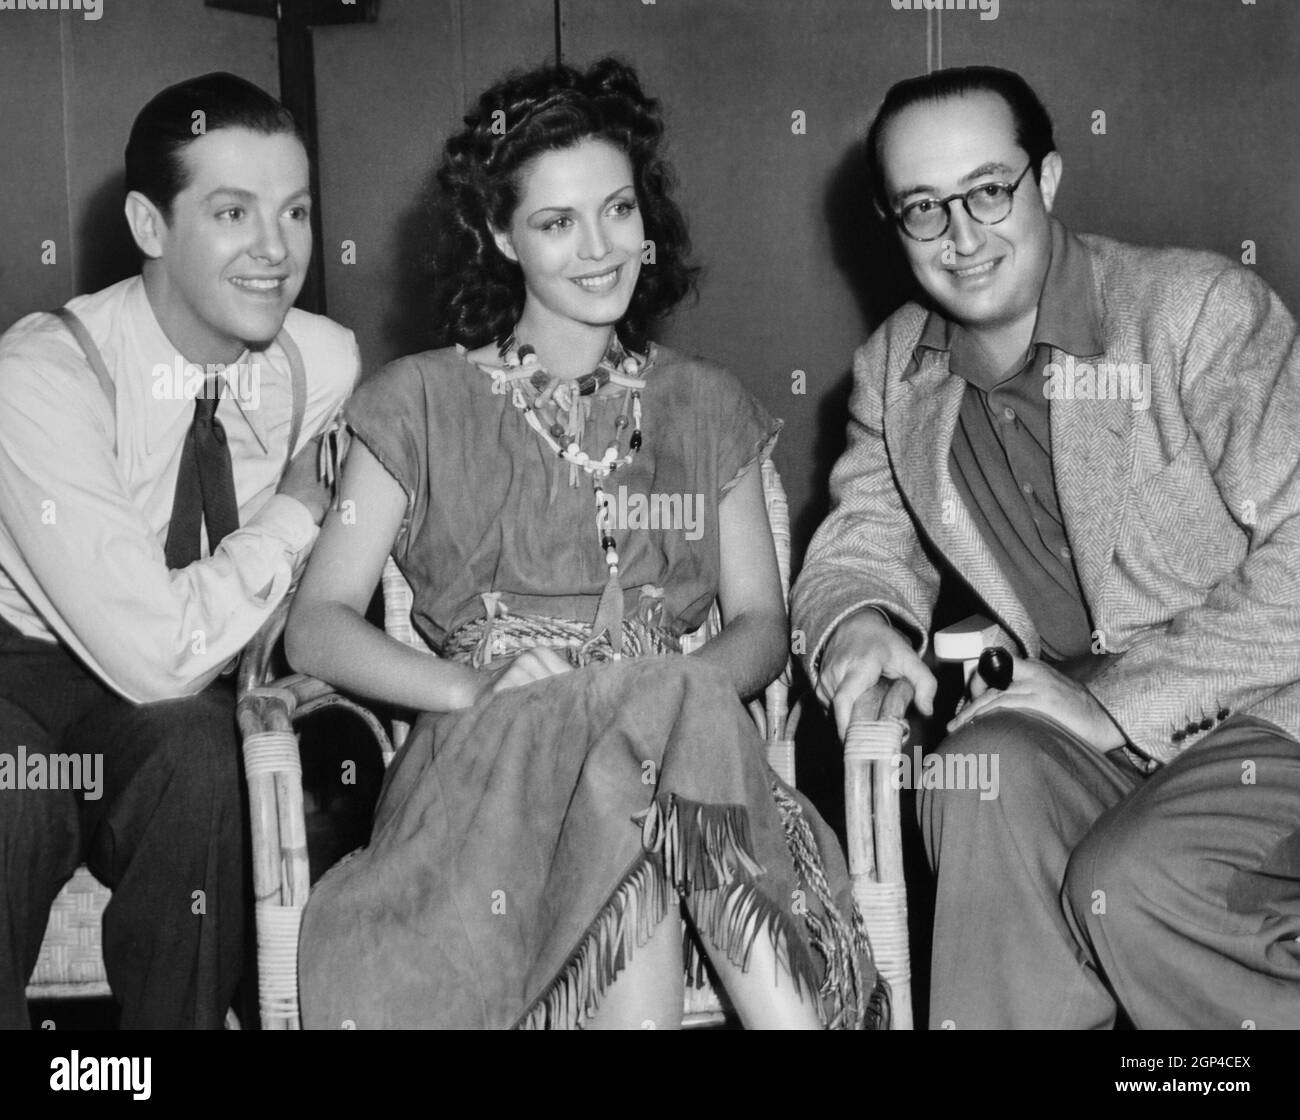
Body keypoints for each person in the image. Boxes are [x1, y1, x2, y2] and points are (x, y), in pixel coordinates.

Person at [286, 57, 882, 1030]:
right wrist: (467, 687)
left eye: (616, 210)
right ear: (497, 233)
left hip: (683, 761)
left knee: (639, 739)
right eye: (557, 222)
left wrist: (659, 688)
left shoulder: (705, 402)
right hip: (491, 763)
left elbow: (764, 627)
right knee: (633, 748)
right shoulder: (417, 401)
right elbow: (316, 626)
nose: (599, 247)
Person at [793, 65, 1300, 1029]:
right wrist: (854, 618)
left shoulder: (1196, 312)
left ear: (1049, 179)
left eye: (990, 190)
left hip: (1268, 710)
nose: (964, 236)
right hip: (1078, 729)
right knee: (978, 777)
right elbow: (859, 540)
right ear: (891, 223)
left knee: (1140, 876)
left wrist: (1112, 704)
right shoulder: (895, 368)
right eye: (924, 209)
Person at [0, 72, 359, 1029]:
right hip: (19, 670)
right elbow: (149, 649)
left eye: (296, 211)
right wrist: (290, 516)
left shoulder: (322, 365)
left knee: (202, 759)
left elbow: (178, 674)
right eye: (232, 212)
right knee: (10, 801)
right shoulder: (39, 376)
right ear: (150, 226)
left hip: (177, 688)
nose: (276, 252)